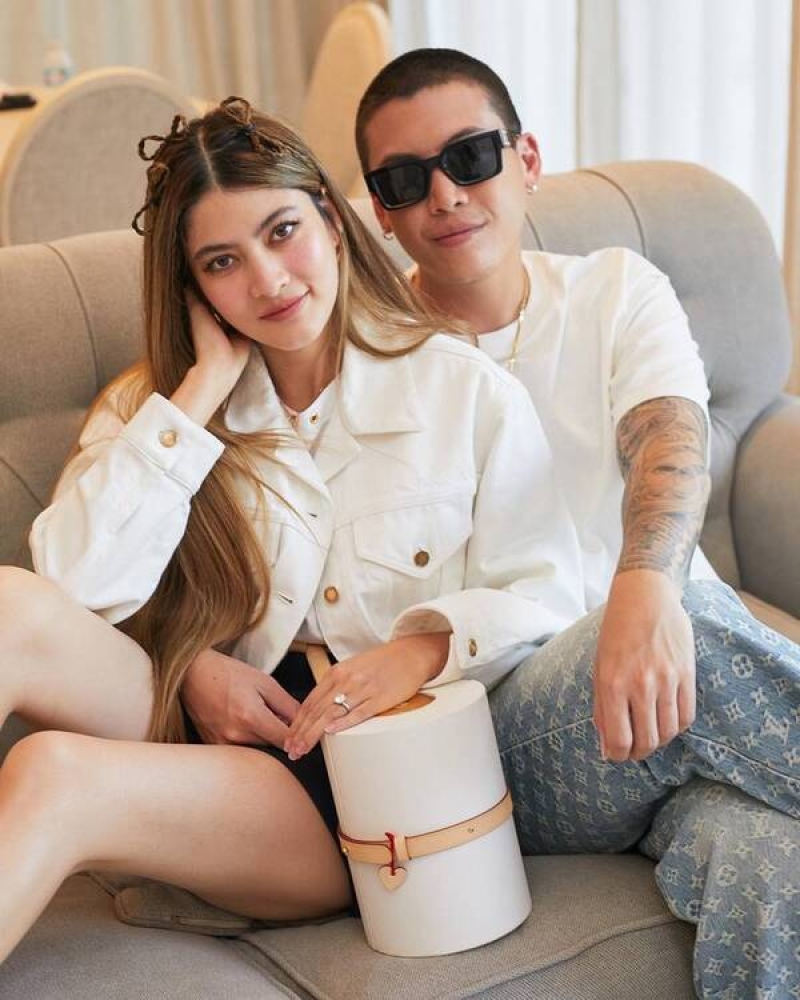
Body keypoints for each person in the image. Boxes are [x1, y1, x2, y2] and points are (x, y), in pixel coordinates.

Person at [0, 97, 585, 962]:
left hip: (348, 779)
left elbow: (551, 593)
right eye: (222, 262)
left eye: (282, 233)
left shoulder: (462, 392)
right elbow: (73, 587)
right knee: (8, 604)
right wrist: (199, 393)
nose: (269, 281)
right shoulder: (154, 409)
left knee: (53, 771)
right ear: (193, 289)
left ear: (332, 223)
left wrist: (418, 650)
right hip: (188, 721)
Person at [355, 50, 800, 1000]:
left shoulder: (614, 289)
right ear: (382, 213)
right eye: (404, 180)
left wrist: (645, 587)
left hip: (677, 702)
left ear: (526, 160)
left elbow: (668, 435)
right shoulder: (369, 362)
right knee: (705, 625)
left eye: (470, 157)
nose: (445, 195)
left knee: (771, 859)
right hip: (517, 737)